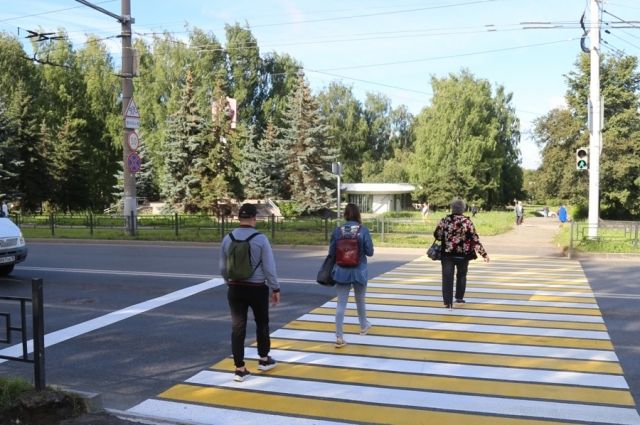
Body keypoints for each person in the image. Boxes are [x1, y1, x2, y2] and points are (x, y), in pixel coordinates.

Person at [219, 203, 281, 382]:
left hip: (235, 289)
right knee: (262, 323)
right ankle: (264, 360)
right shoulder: (260, 239)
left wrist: (229, 282)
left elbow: (223, 267)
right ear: (254, 218)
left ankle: (239, 368)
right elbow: (269, 267)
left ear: (239, 218)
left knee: (238, 327)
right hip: (257, 289)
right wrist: (275, 288)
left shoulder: (227, 238)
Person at [329, 203, 374, 348]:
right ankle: (363, 327)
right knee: (360, 301)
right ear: (358, 214)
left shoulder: (338, 231)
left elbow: (331, 253)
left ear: (345, 215)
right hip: (359, 271)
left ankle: (339, 336)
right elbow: (370, 252)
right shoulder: (363, 230)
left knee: (341, 303)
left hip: (341, 272)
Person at [434, 199, 489, 310]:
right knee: (462, 276)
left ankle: (447, 302)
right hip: (463, 255)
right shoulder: (467, 222)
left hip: (447, 255)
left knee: (447, 278)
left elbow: (437, 236)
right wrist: (483, 254)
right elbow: (474, 240)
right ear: (463, 209)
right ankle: (459, 297)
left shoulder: (445, 220)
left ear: (452, 208)